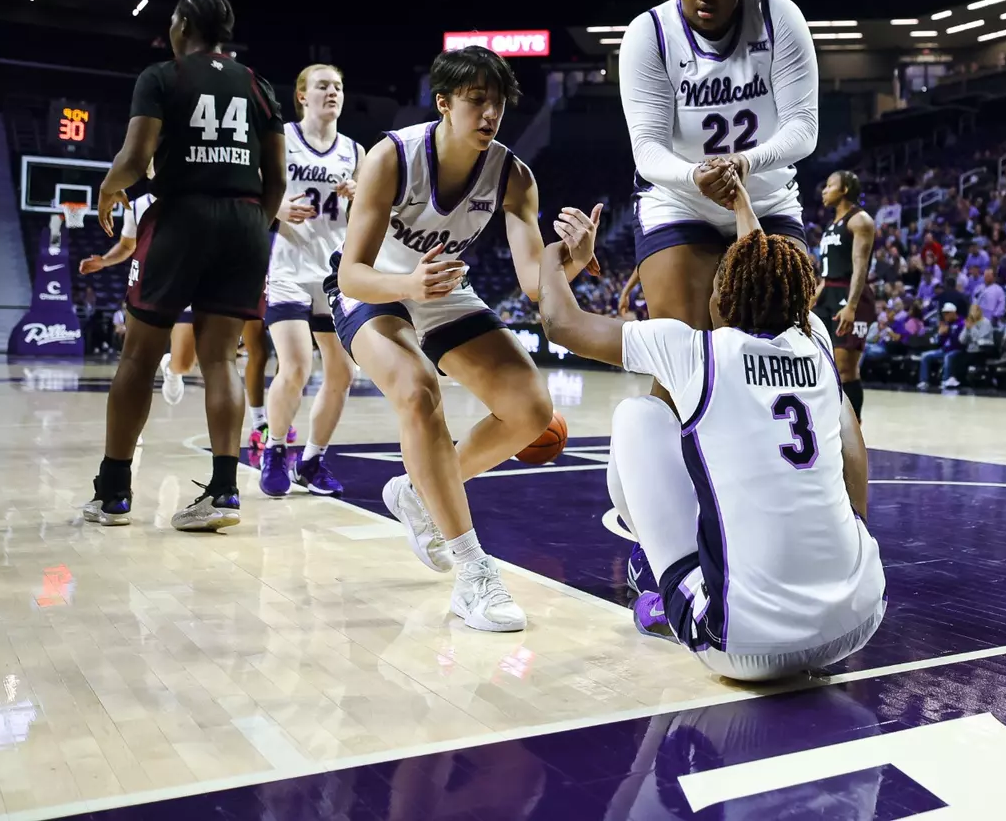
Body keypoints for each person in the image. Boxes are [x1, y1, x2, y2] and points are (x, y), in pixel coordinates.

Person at [536, 171, 884, 682]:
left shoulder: (694, 349)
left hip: (744, 644)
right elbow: (762, 268)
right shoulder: (816, 343)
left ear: (724, 297)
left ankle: (659, 577)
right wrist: (743, 205)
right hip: (858, 617)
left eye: (718, 284)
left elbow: (561, 324)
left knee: (637, 416)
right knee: (840, 418)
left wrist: (556, 258)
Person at [329, 46, 598, 632]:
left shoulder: (512, 174)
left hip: (442, 286)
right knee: (417, 390)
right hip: (379, 284)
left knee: (531, 410)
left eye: (498, 102)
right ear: (444, 103)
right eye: (477, 100)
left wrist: (570, 262)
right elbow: (351, 271)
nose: (490, 113)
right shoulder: (392, 157)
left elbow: (533, 284)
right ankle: (473, 573)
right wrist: (408, 284)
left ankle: (420, 492)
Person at [81, 0, 286, 531]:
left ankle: (114, 492)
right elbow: (278, 179)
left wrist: (108, 189)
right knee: (220, 359)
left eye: (172, 20)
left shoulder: (162, 75)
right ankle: (223, 492)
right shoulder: (259, 85)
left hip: (181, 218)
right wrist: (250, 226)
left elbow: (136, 155)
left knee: (139, 356)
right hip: (245, 221)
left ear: (184, 24)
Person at [619, 0, 818, 414]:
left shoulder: (779, 17)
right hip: (680, 199)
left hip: (766, 197)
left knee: (787, 356)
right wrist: (695, 176)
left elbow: (803, 128)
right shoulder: (650, 32)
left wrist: (743, 164)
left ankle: (816, 485)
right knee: (684, 356)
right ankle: (660, 486)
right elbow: (646, 147)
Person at [258, 63, 361, 498]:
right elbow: (255, 192)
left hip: (333, 275)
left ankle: (313, 460)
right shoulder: (282, 139)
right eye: (322, 86)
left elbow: (373, 218)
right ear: (302, 95)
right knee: (296, 365)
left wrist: (361, 197)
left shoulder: (356, 151)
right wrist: (277, 207)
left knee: (343, 372)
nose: (331, 92)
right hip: (287, 269)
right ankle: (275, 449)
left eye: (337, 85)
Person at [77, 177, 195, 405]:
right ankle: (131, 426)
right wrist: (104, 261)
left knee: (185, 363)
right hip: (147, 286)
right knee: (137, 361)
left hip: (185, 286)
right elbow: (127, 246)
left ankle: (172, 369)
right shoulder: (137, 206)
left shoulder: (196, 200)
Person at [813, 170, 874, 419]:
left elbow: (861, 266)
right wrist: (814, 297)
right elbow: (827, 274)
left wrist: (851, 305)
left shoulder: (860, 220)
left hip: (850, 296)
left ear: (845, 189)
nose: (825, 191)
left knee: (846, 369)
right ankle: (832, 421)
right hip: (828, 293)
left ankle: (854, 426)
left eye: (830, 186)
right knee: (826, 366)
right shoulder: (830, 226)